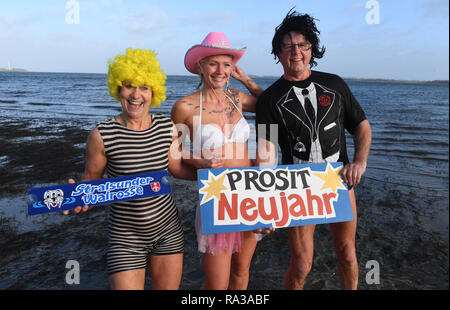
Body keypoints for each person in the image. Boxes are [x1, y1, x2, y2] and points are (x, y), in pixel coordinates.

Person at [255, 10, 372, 289]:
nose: (296, 51)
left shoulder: (334, 84)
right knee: (302, 264)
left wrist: (360, 161)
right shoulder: (270, 99)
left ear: (311, 49)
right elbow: (266, 151)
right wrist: (266, 202)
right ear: (279, 52)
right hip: (297, 186)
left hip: (340, 180)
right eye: (288, 46)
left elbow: (362, 126)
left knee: (347, 254)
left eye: (302, 45)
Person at [64, 48, 197, 290]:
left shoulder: (166, 126)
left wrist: (214, 177)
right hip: (125, 238)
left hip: (168, 231)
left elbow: (177, 168)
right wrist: (76, 198)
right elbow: (92, 182)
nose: (136, 95)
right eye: (129, 86)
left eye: (144, 87)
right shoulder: (101, 134)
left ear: (153, 92)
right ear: (118, 89)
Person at [171, 32, 266, 290]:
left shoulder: (237, 98)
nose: (220, 70)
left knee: (240, 273)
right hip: (217, 197)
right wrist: (201, 166)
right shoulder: (184, 107)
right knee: (216, 285)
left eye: (226, 64)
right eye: (213, 63)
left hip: (249, 194)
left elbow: (270, 105)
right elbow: (175, 157)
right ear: (200, 66)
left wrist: (244, 78)